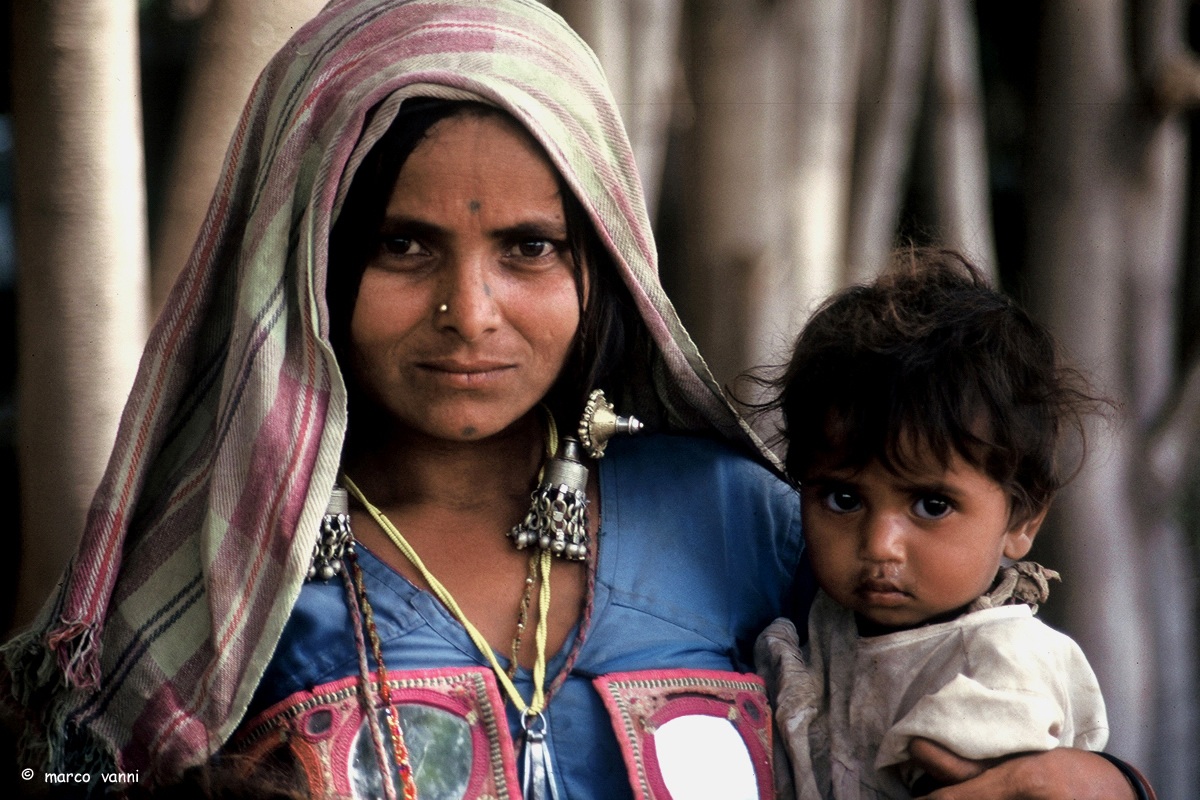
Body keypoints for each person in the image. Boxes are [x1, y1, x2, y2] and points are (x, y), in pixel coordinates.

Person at [0, 1, 1150, 798]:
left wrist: (1105, 778)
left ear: (600, 266)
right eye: (406, 244)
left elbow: (962, 703)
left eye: (529, 247)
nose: (472, 309)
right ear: (313, 257)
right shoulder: (221, 558)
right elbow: (58, 759)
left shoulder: (751, 519)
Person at [754, 249, 1151, 799]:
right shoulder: (828, 623)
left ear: (1022, 518)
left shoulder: (1004, 666)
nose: (880, 545)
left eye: (932, 506)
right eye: (844, 499)